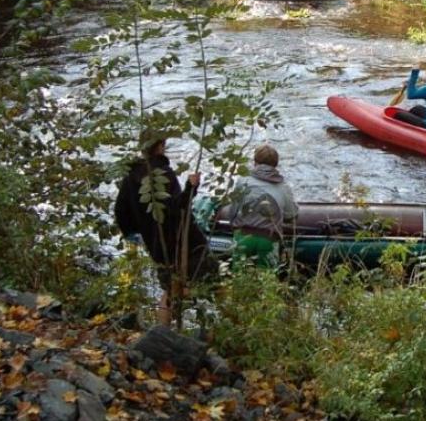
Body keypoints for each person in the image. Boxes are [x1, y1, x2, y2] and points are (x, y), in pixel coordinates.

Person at [115, 129, 216, 324]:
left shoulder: (130, 176)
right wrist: (191, 187)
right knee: (210, 281)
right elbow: (177, 208)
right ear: (160, 147)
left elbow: (120, 211)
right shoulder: (163, 173)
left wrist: (136, 233)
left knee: (169, 289)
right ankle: (220, 331)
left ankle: (163, 331)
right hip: (183, 240)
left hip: (156, 244)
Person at [229, 144, 299, 267]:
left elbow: (233, 212)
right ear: (276, 164)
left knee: (239, 279)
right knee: (267, 281)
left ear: (255, 162)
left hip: (243, 237)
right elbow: (291, 215)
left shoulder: (243, 181)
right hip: (268, 239)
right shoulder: (283, 187)